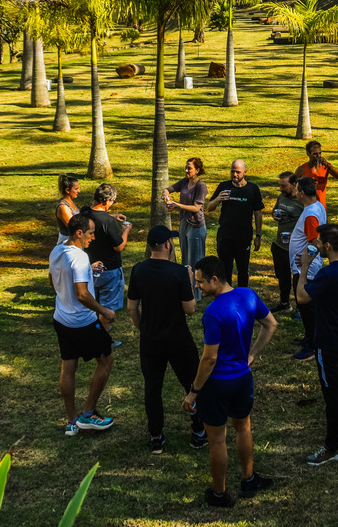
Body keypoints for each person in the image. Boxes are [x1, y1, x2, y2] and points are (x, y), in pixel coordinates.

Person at [183, 256, 277, 507]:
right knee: (243, 427)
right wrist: (252, 354)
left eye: (201, 282)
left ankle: (219, 493)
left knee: (216, 439)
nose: (198, 287)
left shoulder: (213, 312)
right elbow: (270, 324)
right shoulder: (248, 295)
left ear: (215, 279)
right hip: (242, 379)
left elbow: (210, 358)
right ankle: (249, 479)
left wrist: (193, 391)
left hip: (217, 384)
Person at [127, 225, 207, 453]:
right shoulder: (178, 272)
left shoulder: (138, 270)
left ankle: (155, 436)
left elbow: (132, 307)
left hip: (150, 341)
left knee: (153, 389)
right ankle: (199, 431)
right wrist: (191, 281)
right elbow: (190, 309)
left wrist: (142, 328)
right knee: (193, 383)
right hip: (178, 339)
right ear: (167, 245)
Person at [295, 224, 338, 466]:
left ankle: (332, 447)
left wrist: (303, 267)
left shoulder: (328, 274)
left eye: (318, 243)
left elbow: (302, 297)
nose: (316, 246)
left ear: (326, 246)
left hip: (327, 341)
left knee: (332, 391)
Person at [49, 212, 116, 436]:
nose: (93, 238)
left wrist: (88, 270)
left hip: (61, 318)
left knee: (69, 367)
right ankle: (88, 415)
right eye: (90, 233)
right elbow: (81, 294)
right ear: (79, 233)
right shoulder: (79, 257)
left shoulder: (57, 250)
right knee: (106, 360)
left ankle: (71, 421)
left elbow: (53, 281)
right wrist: (104, 311)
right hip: (82, 322)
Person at [204, 159, 264, 289]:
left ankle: (242, 297)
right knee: (225, 271)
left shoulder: (252, 189)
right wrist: (218, 198)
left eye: (238, 172)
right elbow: (209, 207)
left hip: (243, 238)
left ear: (245, 172)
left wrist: (258, 236)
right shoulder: (224, 186)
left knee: (243, 270)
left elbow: (258, 213)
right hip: (225, 237)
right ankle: (227, 296)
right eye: (232, 171)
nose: (234, 175)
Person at [86, 183, 132, 347]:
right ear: (107, 201)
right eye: (112, 201)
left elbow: (97, 221)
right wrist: (125, 231)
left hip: (90, 267)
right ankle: (102, 342)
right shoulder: (108, 222)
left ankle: (92, 335)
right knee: (107, 308)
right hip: (109, 269)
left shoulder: (85, 213)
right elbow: (118, 246)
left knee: (93, 303)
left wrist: (111, 217)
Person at [287, 176, 326, 361]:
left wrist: (304, 262)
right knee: (306, 307)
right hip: (303, 267)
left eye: (296, 190)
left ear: (302, 193)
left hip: (306, 270)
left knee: (308, 307)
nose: (294, 192)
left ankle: (313, 345)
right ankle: (309, 337)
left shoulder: (311, 214)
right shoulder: (316, 206)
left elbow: (313, 242)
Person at [164, 156, 208, 299]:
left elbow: (196, 207)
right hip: (184, 223)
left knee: (195, 261)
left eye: (189, 168)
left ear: (197, 170)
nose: (186, 170)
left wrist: (177, 205)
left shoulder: (201, 186)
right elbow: (169, 189)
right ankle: (186, 290)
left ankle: (197, 293)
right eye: (186, 167)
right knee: (185, 258)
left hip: (196, 225)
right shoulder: (184, 182)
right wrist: (166, 194)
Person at [268, 172, 304, 313]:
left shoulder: (301, 201)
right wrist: (275, 215)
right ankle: (284, 303)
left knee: (298, 278)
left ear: (294, 184)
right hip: (280, 245)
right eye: (280, 185)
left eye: (284, 186)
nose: (281, 189)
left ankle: (300, 308)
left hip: (295, 248)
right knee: (282, 276)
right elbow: (273, 212)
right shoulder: (281, 197)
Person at [295, 140, 338, 209]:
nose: (318, 156)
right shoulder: (301, 170)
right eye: (315, 154)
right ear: (308, 154)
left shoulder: (325, 167)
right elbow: (294, 189)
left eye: (320, 153)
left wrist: (327, 165)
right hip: (307, 208)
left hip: (322, 207)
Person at [54, 174, 81, 246]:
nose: (79, 191)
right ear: (67, 190)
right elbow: (73, 228)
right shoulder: (63, 208)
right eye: (76, 189)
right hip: (66, 245)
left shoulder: (70, 202)